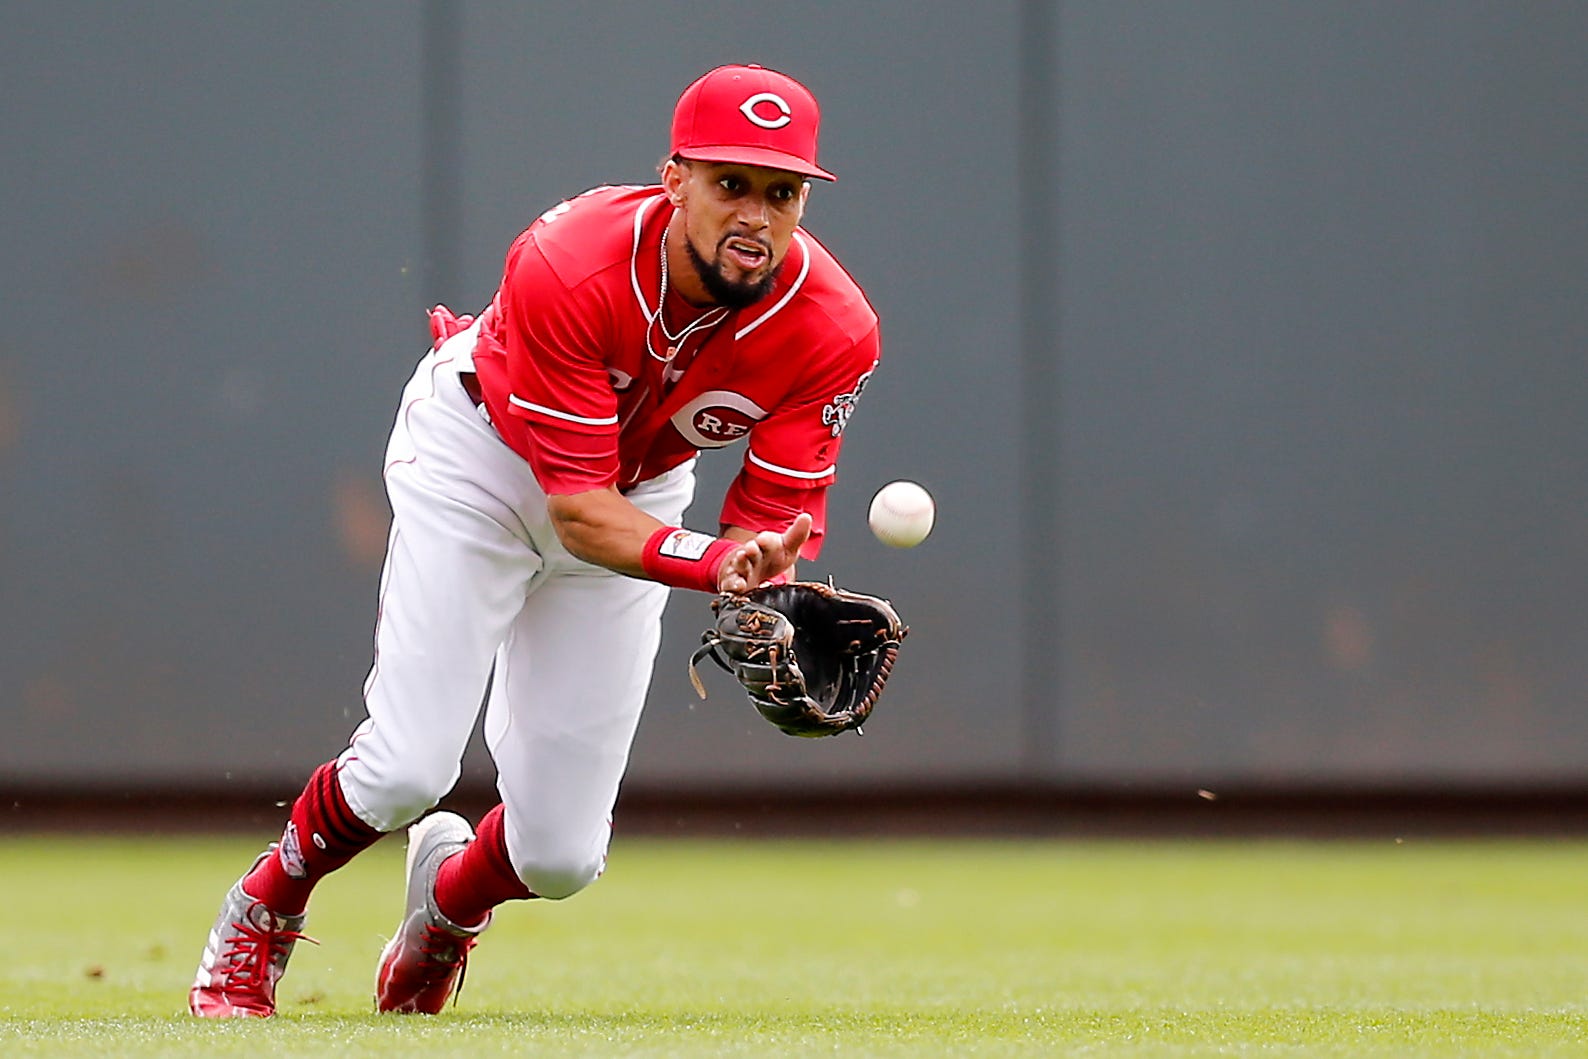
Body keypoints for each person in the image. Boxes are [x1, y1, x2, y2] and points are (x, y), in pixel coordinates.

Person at [188, 63, 881, 1018]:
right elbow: (580, 515)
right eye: (731, 183)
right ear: (674, 178)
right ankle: (266, 903)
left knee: (561, 856)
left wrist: (766, 594)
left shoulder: (833, 326)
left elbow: (768, 527)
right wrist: (715, 564)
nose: (755, 216)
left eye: (782, 191)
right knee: (404, 769)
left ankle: (445, 909)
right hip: (482, 460)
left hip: (639, 496)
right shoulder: (571, 258)